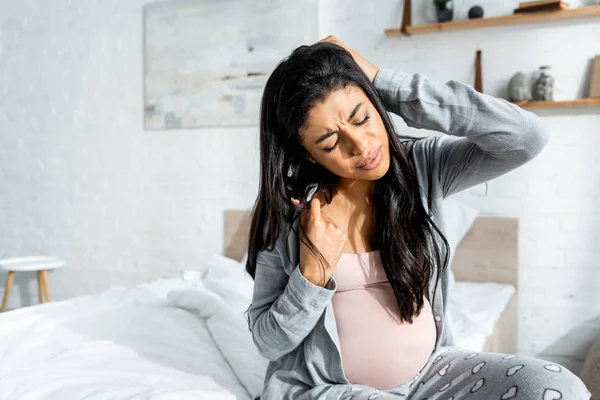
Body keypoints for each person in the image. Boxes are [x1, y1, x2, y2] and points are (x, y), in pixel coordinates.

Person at [243, 35, 591, 400]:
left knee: (557, 386)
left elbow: (526, 137)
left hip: (431, 377)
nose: (360, 146)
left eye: (362, 117)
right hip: (330, 389)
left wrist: (382, 81)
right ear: (309, 155)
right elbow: (268, 342)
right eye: (330, 143)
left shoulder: (422, 168)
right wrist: (310, 277)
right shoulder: (289, 215)